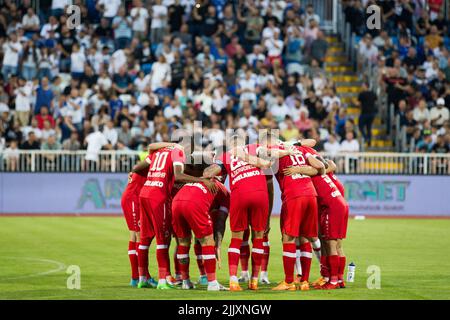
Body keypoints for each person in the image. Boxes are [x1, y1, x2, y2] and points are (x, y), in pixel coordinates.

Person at [131, 141, 217, 289]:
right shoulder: (179, 153)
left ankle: (142, 279)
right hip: (159, 196)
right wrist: (200, 180)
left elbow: (137, 168)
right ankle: (163, 281)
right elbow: (178, 176)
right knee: (164, 240)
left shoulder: (160, 152)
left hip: (145, 193)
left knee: (144, 240)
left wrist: (150, 177)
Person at [203, 135, 272, 291]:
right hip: (260, 193)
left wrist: (208, 169)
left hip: (240, 194)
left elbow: (209, 172)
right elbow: (271, 157)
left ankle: (233, 280)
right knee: (259, 237)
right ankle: (254, 281)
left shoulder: (226, 156)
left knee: (236, 239)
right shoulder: (254, 148)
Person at [172, 174, 230, 291]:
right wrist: (217, 245)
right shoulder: (225, 193)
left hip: (176, 202)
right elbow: (220, 221)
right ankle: (213, 284)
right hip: (194, 204)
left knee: (183, 243)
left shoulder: (198, 180)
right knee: (207, 241)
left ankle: (185, 281)